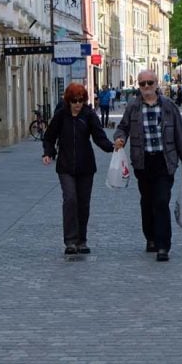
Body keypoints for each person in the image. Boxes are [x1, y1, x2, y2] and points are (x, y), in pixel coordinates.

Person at [113, 69, 182, 262]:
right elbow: (122, 127)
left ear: (157, 84)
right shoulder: (133, 106)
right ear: (138, 86)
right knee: (147, 202)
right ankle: (150, 238)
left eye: (150, 83)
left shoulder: (169, 107)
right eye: (142, 84)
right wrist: (120, 139)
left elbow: (180, 135)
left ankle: (163, 245)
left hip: (165, 161)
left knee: (161, 201)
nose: (147, 87)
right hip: (142, 161)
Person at [41, 82, 114, 255]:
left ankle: (82, 240)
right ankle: (70, 241)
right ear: (69, 101)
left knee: (83, 203)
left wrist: (112, 147)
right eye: (74, 100)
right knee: (70, 200)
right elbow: (49, 137)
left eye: (80, 100)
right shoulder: (61, 115)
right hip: (65, 165)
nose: (77, 104)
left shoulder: (89, 115)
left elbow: (99, 137)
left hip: (86, 166)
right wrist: (48, 153)